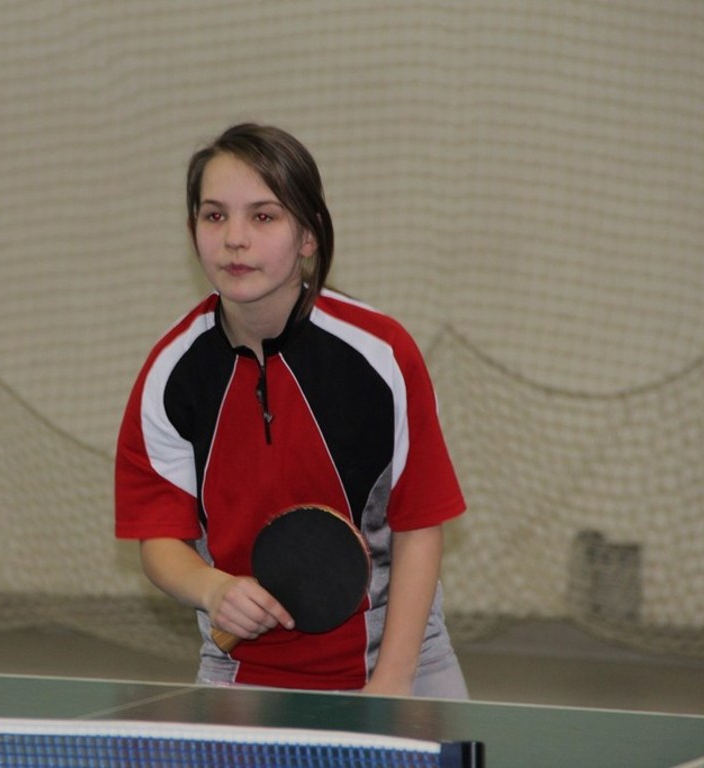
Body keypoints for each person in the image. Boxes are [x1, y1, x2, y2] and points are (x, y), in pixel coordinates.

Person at [114, 123, 468, 697]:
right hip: (238, 671)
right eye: (214, 216)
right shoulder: (170, 373)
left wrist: (391, 682)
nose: (235, 239)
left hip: (400, 661)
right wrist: (210, 589)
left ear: (308, 235)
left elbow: (420, 524)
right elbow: (158, 540)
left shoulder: (381, 354)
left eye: (263, 216)